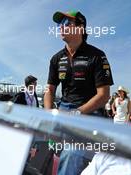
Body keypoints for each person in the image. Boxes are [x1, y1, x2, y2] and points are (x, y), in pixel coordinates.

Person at [43, 10, 114, 175]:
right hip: (63, 110)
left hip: (90, 114)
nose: (62, 27)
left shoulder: (97, 56)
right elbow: (49, 90)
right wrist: (48, 116)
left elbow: (104, 95)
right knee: (36, 140)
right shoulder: (56, 58)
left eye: (67, 24)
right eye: (60, 24)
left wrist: (77, 113)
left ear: (81, 28)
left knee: (72, 154)